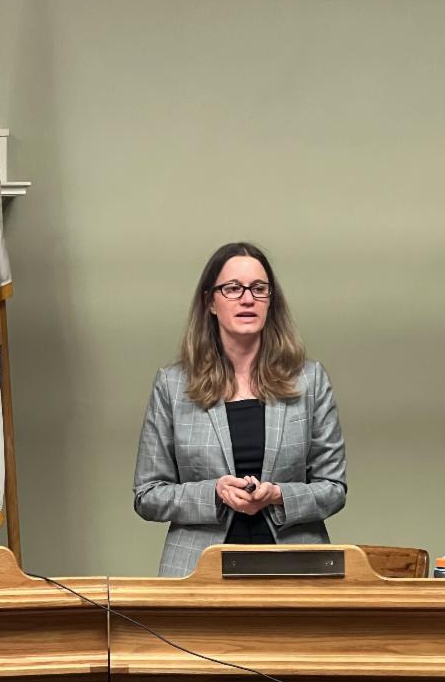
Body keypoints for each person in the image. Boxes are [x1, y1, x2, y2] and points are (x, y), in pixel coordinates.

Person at [133, 242, 347, 577]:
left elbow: (333, 489)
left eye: (259, 289)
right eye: (233, 289)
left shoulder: (310, 380)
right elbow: (148, 495)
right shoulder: (172, 385)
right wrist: (214, 492)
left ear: (270, 301)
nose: (247, 299)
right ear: (210, 302)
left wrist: (278, 495)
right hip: (197, 572)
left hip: (297, 570)